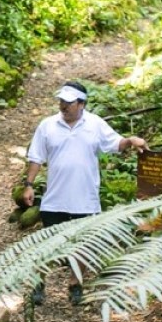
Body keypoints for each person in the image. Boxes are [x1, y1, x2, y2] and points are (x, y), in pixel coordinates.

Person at [20, 81, 147, 306]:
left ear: (81, 104)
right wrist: (28, 184)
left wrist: (131, 141)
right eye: (61, 101)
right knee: (47, 245)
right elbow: (36, 157)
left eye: (68, 102)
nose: (63, 106)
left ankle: (75, 284)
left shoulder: (95, 124)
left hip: (85, 199)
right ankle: (38, 283)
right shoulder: (47, 125)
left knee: (82, 247)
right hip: (54, 199)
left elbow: (115, 143)